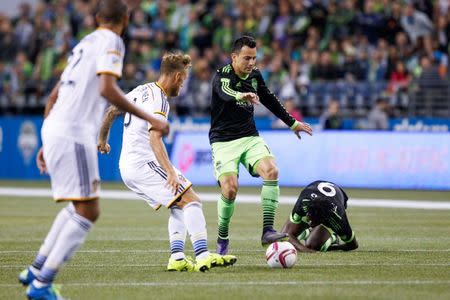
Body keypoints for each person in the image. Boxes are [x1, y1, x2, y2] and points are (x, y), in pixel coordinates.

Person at [18, 1, 169, 299]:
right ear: (125, 20)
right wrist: (150, 117)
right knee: (88, 210)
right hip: (73, 131)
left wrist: (47, 137)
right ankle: (42, 285)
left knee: (79, 204)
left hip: (57, 126)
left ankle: (36, 270)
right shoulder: (112, 41)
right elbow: (107, 90)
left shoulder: (84, 43)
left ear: (98, 18)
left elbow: (55, 93)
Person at [97, 52, 236, 272]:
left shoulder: (140, 90)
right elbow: (154, 138)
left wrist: (102, 140)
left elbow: (112, 110)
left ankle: (178, 258)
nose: (183, 85)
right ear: (177, 77)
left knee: (178, 206)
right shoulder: (159, 99)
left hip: (129, 165)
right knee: (191, 200)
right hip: (143, 163)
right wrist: (170, 171)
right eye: (184, 79)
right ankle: (202, 255)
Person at [209, 36, 313, 255]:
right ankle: (223, 236)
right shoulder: (222, 75)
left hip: (249, 137)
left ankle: (267, 230)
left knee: (272, 170)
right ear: (234, 57)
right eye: (246, 58)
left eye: (254, 58)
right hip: (223, 141)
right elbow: (224, 93)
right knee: (230, 189)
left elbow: (269, 99)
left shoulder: (255, 76)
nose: (251, 63)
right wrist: (241, 95)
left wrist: (292, 123)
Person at [281, 180, 358, 252]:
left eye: (314, 222)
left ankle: (333, 237)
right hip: (313, 188)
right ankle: (308, 232)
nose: (310, 223)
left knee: (312, 245)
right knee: (283, 237)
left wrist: (331, 248)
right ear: (308, 211)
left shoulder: (337, 218)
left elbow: (353, 245)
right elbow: (285, 236)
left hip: (338, 198)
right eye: (309, 217)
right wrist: (307, 251)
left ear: (324, 220)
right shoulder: (304, 202)